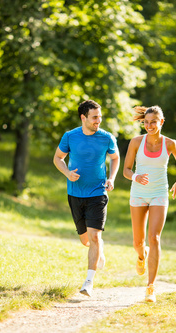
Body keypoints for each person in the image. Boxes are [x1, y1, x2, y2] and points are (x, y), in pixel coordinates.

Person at [53, 100, 120, 297]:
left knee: (95, 236)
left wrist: (111, 178)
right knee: (86, 240)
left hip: (98, 193)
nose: (98, 121)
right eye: (94, 117)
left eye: (100, 117)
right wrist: (67, 173)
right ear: (83, 117)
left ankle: (88, 282)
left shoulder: (106, 138)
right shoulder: (70, 136)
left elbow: (115, 158)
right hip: (75, 193)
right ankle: (99, 249)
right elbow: (57, 158)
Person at [123, 105, 176, 302]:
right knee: (138, 243)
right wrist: (135, 177)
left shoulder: (170, 143)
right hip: (139, 194)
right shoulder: (135, 142)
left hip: (159, 193)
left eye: (153, 122)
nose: (149, 126)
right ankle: (142, 257)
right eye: (146, 122)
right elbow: (126, 170)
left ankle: (151, 287)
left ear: (161, 122)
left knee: (154, 237)